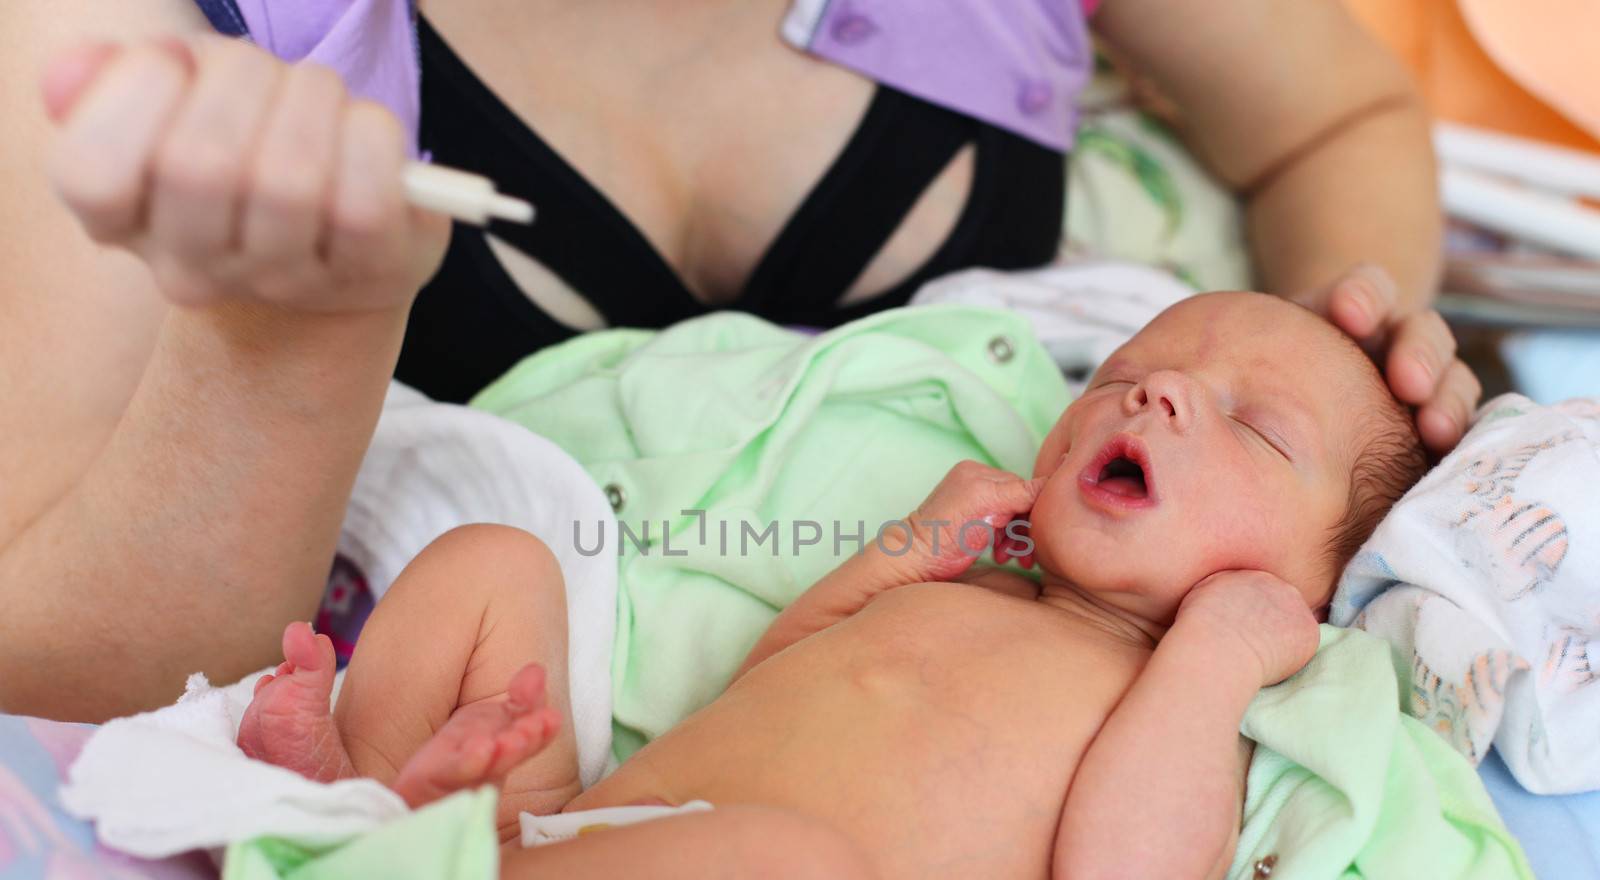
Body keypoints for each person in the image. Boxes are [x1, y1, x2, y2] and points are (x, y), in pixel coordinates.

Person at [0, 0, 1475, 722]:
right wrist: (283, 348)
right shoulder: (132, 44)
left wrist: (1322, 408)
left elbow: (1330, 120)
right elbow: (62, 684)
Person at [235, 291, 1431, 880]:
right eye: (1121, 377)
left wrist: (1215, 657)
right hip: (576, 828)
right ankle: (379, 797)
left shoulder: (1185, 707)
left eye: (1256, 425)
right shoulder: (973, 585)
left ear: (1313, 586)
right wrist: (901, 555)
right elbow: (772, 683)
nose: (1158, 392)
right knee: (497, 558)